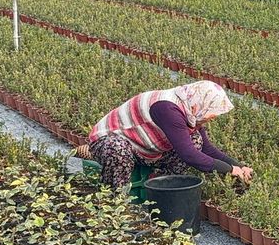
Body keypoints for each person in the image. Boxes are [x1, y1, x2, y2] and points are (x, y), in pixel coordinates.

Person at [87, 81, 253, 189]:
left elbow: (207, 148)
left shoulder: (189, 108)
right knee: (118, 149)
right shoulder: (168, 109)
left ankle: (158, 185)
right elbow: (188, 155)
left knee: (196, 141)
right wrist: (230, 170)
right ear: (201, 103)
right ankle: (113, 198)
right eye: (212, 112)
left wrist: (239, 166)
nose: (212, 117)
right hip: (109, 142)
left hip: (146, 149)